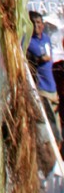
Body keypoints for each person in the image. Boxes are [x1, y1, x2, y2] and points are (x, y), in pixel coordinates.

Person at [27, 11, 62, 146]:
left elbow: (49, 58)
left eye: (39, 23)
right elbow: (32, 60)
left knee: (58, 127)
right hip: (41, 89)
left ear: (43, 25)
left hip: (52, 88)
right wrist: (39, 59)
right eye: (34, 23)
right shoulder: (29, 42)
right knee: (52, 129)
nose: (37, 26)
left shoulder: (46, 39)